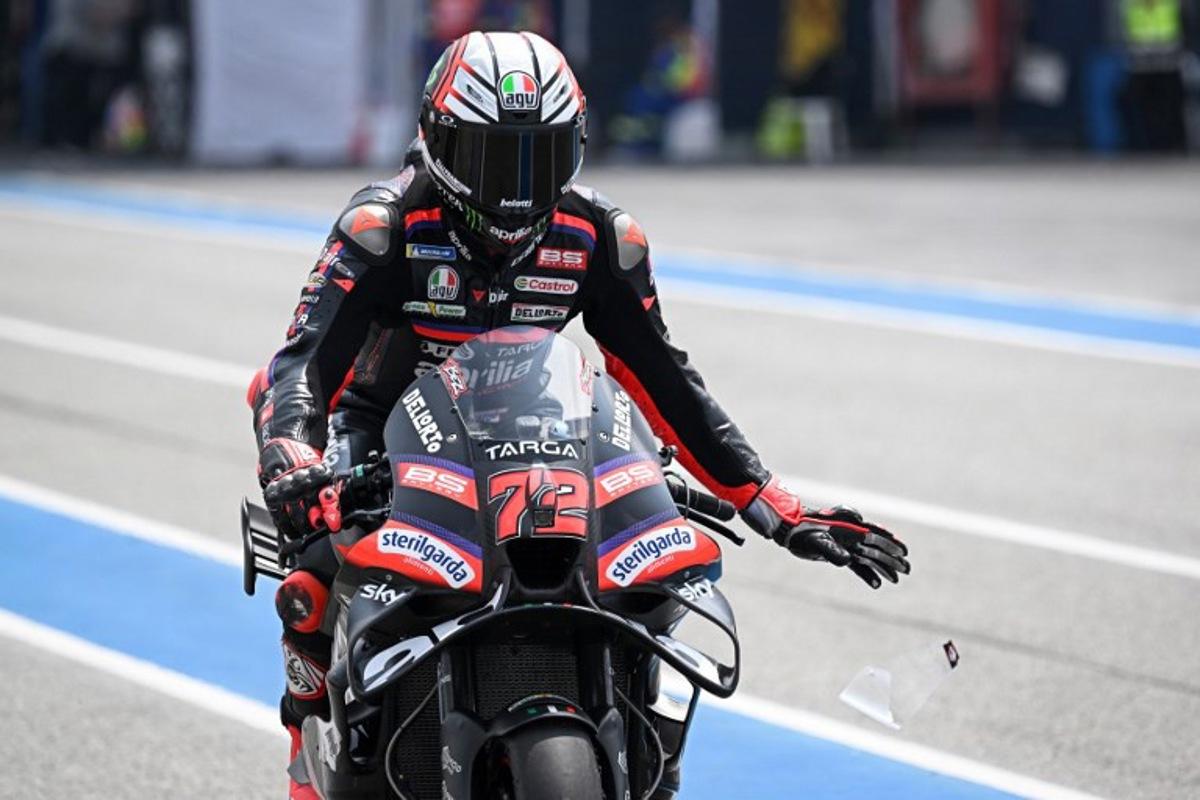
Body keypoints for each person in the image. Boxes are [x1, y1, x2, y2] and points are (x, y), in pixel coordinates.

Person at [248, 30, 910, 800]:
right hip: (387, 440)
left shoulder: (599, 236)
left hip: (533, 436)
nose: (519, 190)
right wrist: (296, 458)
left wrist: (776, 507)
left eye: (544, 157)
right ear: (434, 142)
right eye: (495, 159)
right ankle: (308, 758)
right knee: (313, 579)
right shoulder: (383, 227)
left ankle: (640, 734)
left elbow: (664, 381)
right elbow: (303, 362)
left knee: (649, 578)